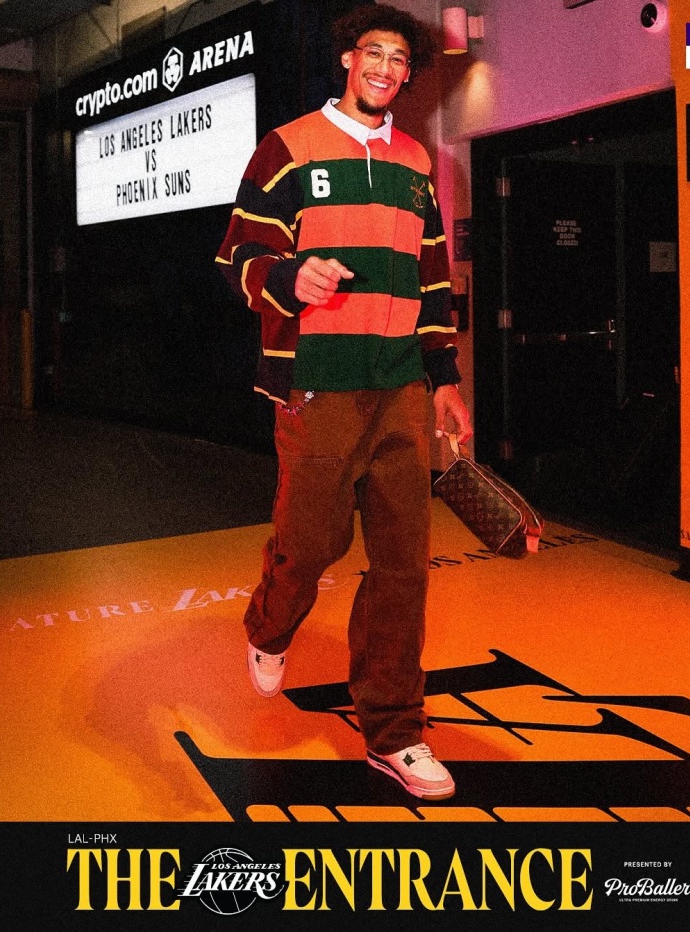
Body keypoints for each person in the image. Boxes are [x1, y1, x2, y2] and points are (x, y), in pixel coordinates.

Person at [216, 2, 472, 801]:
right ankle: (270, 626)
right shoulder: (289, 147)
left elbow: (433, 277)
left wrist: (445, 378)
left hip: (399, 387)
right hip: (316, 382)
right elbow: (239, 253)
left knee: (402, 566)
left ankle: (394, 732)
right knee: (311, 544)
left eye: (400, 59)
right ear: (348, 59)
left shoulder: (417, 162)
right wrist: (291, 275)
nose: (386, 69)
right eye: (374, 53)